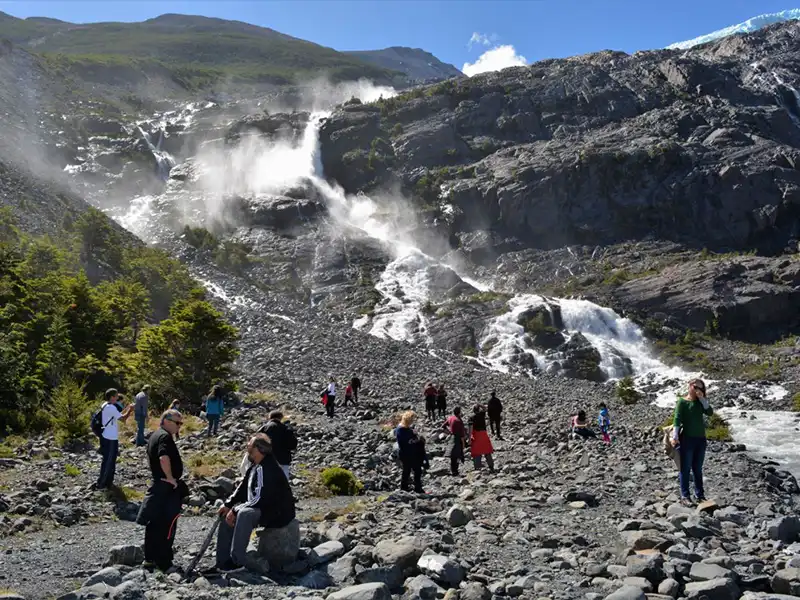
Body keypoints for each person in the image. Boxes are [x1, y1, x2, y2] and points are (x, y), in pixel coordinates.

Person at [216, 435, 296, 572]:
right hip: (263, 508)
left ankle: (237, 562)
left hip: (277, 513)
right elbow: (242, 488)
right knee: (227, 515)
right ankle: (223, 563)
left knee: (244, 514)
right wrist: (228, 504)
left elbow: (261, 499)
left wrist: (236, 510)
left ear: (259, 449)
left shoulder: (269, 468)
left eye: (250, 447)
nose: (247, 450)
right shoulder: (255, 466)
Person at [137, 410, 185, 572]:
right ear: (165, 420)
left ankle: (150, 559)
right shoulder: (164, 436)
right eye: (177, 423)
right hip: (165, 487)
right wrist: (171, 478)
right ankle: (164, 563)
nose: (179, 426)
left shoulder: (155, 435)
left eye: (181, 423)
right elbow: (163, 457)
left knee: (154, 523)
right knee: (167, 524)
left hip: (158, 485)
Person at [671, 378, 713, 506]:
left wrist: (702, 399)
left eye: (700, 388)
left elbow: (709, 412)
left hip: (700, 439)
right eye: (695, 387)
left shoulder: (700, 402)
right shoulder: (682, 402)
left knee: (697, 468)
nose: (697, 390)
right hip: (687, 439)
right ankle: (685, 496)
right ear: (689, 386)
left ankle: (699, 495)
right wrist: (675, 436)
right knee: (685, 468)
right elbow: (677, 419)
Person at [95, 389, 133, 490]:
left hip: (106, 435)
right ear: (112, 397)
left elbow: (117, 415)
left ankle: (107, 482)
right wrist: (130, 409)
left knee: (108, 459)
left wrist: (126, 409)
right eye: (116, 396)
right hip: (110, 437)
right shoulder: (111, 407)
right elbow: (123, 419)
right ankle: (103, 484)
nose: (117, 398)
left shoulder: (105, 405)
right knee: (109, 460)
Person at [258, 411, 298, 480]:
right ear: (281, 417)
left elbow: (256, 443)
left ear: (269, 417)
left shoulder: (264, 428)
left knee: (266, 484)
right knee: (282, 485)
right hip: (283, 460)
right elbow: (293, 445)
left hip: (267, 461)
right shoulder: (285, 428)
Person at [395, 410, 425, 493]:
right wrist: (417, 439)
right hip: (408, 454)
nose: (413, 422)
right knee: (415, 470)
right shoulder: (401, 430)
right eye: (412, 420)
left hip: (408, 453)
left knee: (407, 470)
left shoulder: (404, 428)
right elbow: (408, 442)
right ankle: (416, 488)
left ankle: (405, 487)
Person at [469, 404, 495, 472]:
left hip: (476, 435)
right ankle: (491, 466)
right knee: (487, 451)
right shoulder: (482, 414)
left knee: (476, 452)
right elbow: (485, 408)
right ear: (478, 409)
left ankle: (477, 467)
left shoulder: (471, 418)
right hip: (483, 435)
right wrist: (479, 405)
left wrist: (469, 438)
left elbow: (470, 429)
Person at [443, 406, 466, 476]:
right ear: (459, 412)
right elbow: (462, 434)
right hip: (458, 439)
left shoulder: (450, 418)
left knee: (452, 456)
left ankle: (453, 470)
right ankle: (455, 471)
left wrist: (449, 432)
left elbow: (443, 426)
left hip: (452, 438)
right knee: (458, 455)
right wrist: (464, 444)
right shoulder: (459, 421)